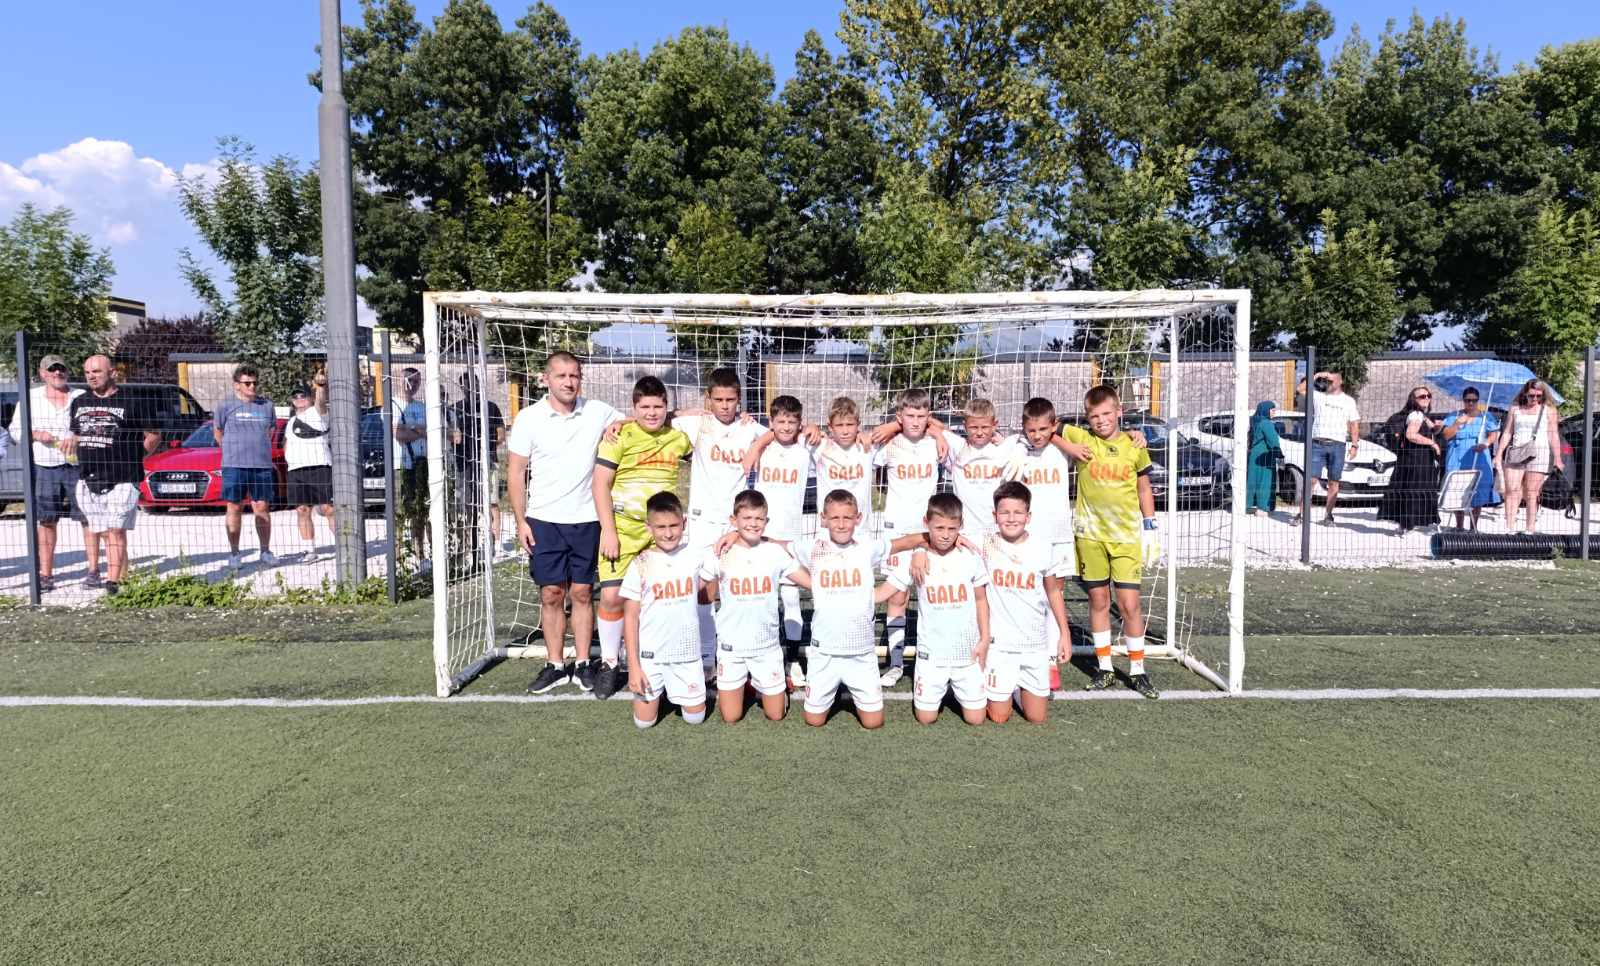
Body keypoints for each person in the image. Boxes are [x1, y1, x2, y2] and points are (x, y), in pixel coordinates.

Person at [506, 352, 625, 697]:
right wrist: (521, 520)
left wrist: (619, 425)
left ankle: (584, 662)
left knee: (583, 592)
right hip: (544, 520)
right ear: (546, 379)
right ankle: (556, 665)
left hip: (587, 519)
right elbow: (515, 473)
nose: (569, 382)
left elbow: (642, 417)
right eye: (561, 376)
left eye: (574, 375)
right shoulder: (529, 418)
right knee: (551, 593)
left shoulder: (598, 411)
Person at [584, 377, 694, 697]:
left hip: (660, 533)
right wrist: (609, 531)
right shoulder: (619, 435)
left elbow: (709, 428)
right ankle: (609, 662)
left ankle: (655, 658)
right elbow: (600, 484)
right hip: (622, 529)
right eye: (644, 406)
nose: (651, 412)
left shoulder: (677, 438)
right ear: (633, 408)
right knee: (611, 596)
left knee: (658, 598)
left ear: (666, 407)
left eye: (658, 406)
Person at [1059, 384, 1161, 698]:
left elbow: (1143, 488)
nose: (1101, 420)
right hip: (1090, 536)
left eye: (1106, 414)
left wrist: (1150, 525)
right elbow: (1047, 427)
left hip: (1126, 537)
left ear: (1119, 411)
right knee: (1099, 601)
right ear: (1087, 418)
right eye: (1094, 416)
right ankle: (1104, 668)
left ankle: (1138, 670)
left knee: (1130, 604)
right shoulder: (1082, 438)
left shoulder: (1134, 445)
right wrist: (1069, 447)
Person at [673, 367, 766, 676]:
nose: (725, 406)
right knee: (703, 588)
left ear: (739, 399)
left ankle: (738, 654)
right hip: (702, 521)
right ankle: (706, 656)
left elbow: (784, 431)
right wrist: (684, 411)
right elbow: (655, 416)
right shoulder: (697, 424)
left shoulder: (749, 428)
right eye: (719, 399)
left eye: (731, 400)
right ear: (708, 398)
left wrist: (758, 444)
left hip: (737, 524)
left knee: (738, 588)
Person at [787, 490, 900, 729]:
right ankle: (830, 689)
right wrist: (736, 536)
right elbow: (779, 547)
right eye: (835, 518)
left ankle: (847, 688)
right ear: (823, 519)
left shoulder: (867, 547)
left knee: (873, 723)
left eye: (847, 518)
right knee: (814, 721)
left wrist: (924, 544)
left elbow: (904, 544)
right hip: (824, 653)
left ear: (858, 518)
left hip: (861, 653)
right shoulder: (812, 547)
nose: (841, 524)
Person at [699, 490, 811, 723]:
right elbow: (695, 586)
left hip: (766, 648)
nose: (753, 523)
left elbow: (809, 581)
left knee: (775, 715)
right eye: (747, 518)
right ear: (734, 520)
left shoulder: (774, 552)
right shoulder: (720, 552)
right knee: (731, 717)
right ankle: (748, 684)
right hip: (732, 647)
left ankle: (774, 686)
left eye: (759, 519)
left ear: (766, 521)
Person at [61, 355, 162, 596]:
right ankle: (121, 577)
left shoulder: (132, 401)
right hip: (89, 477)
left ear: (112, 372)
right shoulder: (80, 402)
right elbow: (76, 433)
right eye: (87, 372)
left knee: (116, 529)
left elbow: (154, 435)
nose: (91, 377)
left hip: (123, 477)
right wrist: (71, 442)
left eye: (96, 371)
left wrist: (135, 456)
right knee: (104, 531)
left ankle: (112, 582)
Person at [889, 493, 992, 726]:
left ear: (961, 526)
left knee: (977, 719)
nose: (945, 535)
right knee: (926, 719)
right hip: (932, 656)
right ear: (926, 523)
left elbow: (981, 600)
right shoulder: (917, 559)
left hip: (966, 653)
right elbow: (886, 589)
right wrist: (919, 548)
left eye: (952, 529)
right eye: (939, 528)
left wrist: (985, 639)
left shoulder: (970, 555)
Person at [740, 394, 817, 689]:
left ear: (799, 423)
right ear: (770, 422)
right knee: (759, 599)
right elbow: (742, 425)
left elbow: (822, 436)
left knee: (791, 599)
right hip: (760, 536)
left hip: (791, 538)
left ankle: (793, 659)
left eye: (792, 422)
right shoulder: (761, 442)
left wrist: (814, 429)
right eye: (780, 421)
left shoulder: (806, 447)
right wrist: (758, 441)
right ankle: (757, 657)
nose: (786, 427)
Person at [979, 481, 1072, 724]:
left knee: (1036, 718)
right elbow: (948, 535)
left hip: (1034, 646)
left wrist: (1064, 633)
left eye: (1018, 512)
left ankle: (1019, 688)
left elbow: (1053, 592)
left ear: (1028, 516)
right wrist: (919, 553)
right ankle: (997, 688)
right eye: (1005, 512)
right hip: (1000, 647)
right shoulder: (985, 544)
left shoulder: (1043, 547)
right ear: (995, 515)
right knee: (999, 717)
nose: (1011, 518)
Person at [872, 387, 945, 686]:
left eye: (921, 416)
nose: (915, 421)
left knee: (931, 593)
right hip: (896, 531)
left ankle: (935, 658)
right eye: (910, 415)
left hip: (929, 532)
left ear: (929, 416)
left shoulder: (937, 443)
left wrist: (938, 432)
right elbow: (867, 457)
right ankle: (896, 663)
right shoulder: (889, 445)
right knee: (897, 595)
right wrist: (892, 427)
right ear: (899, 416)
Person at [622, 492, 709, 729]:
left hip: (687, 655)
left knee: (695, 719)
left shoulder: (696, 555)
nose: (668, 533)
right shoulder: (640, 564)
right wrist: (634, 667)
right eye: (660, 527)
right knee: (644, 723)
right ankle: (660, 693)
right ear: (648, 527)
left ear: (684, 523)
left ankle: (680, 691)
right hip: (652, 658)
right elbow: (630, 617)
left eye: (673, 525)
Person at [6, 355, 86, 592]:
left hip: (78, 466)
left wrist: (77, 437)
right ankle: (46, 575)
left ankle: (93, 572)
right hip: (45, 467)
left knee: (88, 519)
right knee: (47, 520)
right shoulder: (30, 398)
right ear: (42, 374)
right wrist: (35, 434)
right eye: (52, 370)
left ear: (67, 371)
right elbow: (15, 431)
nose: (57, 373)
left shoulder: (81, 396)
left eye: (61, 368)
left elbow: (94, 427)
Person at [214, 364, 278, 569]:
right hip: (234, 465)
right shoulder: (225, 406)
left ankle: (265, 551)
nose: (252, 386)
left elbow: (270, 431)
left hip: (261, 465)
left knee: (262, 507)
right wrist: (232, 450)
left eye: (255, 383)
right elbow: (218, 432)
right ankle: (234, 553)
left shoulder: (267, 405)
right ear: (237, 385)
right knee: (234, 507)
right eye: (247, 383)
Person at [942, 398, 1023, 542]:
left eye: (985, 427)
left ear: (994, 425)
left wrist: (1019, 451)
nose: (979, 432)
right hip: (965, 533)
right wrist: (938, 436)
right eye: (974, 427)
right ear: (965, 426)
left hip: (998, 532)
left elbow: (1030, 433)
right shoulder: (958, 447)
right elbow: (929, 423)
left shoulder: (1004, 448)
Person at [447, 372, 506, 556]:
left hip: (488, 462)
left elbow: (501, 434)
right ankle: (468, 546)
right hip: (463, 463)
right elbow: (450, 434)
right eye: (466, 385)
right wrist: (456, 438)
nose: (470, 388)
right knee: (466, 504)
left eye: (473, 384)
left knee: (491, 502)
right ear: (461, 387)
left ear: (479, 384)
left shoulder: (491, 407)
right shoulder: (455, 409)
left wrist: (487, 447)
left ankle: (495, 544)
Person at [1494, 379, 1563, 534]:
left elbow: (1553, 435)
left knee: (1532, 492)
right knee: (1512, 490)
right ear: (1525, 393)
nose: (1535, 399)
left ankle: (1530, 529)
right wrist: (1498, 454)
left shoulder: (1549, 410)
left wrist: (1558, 458)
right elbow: (1507, 432)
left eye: (1539, 396)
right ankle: (1509, 528)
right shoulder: (1515, 409)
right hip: (1516, 451)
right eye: (1532, 395)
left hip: (1540, 453)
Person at [1378, 387, 1443, 533]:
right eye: (1422, 396)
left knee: (1411, 490)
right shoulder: (1416, 415)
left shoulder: (1422, 416)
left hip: (1414, 458)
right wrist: (1432, 443)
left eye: (1428, 395)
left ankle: (1405, 525)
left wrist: (1437, 427)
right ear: (1413, 400)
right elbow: (1411, 435)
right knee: (1415, 490)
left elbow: (1431, 431)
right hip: (1417, 459)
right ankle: (1407, 524)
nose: (1426, 398)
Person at [283, 374, 335, 559]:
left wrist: (320, 386)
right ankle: (310, 550)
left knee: (329, 508)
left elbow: (321, 402)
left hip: (319, 466)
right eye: (295, 396)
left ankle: (344, 546)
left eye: (303, 395)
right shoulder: (290, 422)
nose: (299, 399)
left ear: (310, 397)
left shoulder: (318, 413)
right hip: (296, 470)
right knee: (302, 510)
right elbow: (287, 443)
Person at [1302, 370, 1360, 525]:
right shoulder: (1319, 396)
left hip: (1338, 445)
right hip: (1317, 443)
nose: (1329, 383)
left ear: (1340, 382)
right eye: (1327, 380)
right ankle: (1301, 514)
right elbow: (1300, 389)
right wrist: (1316, 375)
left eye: (1332, 380)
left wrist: (1354, 445)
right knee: (1311, 480)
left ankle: (1328, 515)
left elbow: (1354, 423)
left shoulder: (1348, 401)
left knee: (1334, 481)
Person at [1438, 386, 1501, 530]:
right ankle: (1459, 526)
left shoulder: (1486, 416)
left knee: (1478, 490)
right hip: (1457, 456)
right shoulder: (1454, 416)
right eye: (1468, 400)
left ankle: (1473, 527)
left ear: (1478, 400)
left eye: (1474, 400)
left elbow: (1494, 434)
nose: (1471, 403)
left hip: (1479, 456)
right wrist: (1457, 424)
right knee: (1457, 490)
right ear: (1463, 400)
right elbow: (1446, 436)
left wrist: (1486, 443)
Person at [392, 367, 430, 568]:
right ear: (401, 380)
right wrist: (419, 431)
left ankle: (420, 553)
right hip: (401, 465)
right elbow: (399, 435)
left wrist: (413, 430)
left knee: (420, 510)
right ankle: (398, 556)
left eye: (416, 381)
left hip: (421, 463)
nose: (412, 385)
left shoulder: (422, 407)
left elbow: (431, 432)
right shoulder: (391, 405)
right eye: (409, 380)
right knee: (400, 511)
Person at [1245, 400, 1282, 516]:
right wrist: (1279, 454)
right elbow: (1273, 440)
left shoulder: (1254, 421)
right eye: (1272, 410)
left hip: (1254, 455)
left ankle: (1248, 505)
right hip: (1265, 455)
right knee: (1265, 481)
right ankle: (1262, 507)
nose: (1274, 413)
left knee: (1253, 480)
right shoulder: (1266, 423)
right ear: (1266, 410)